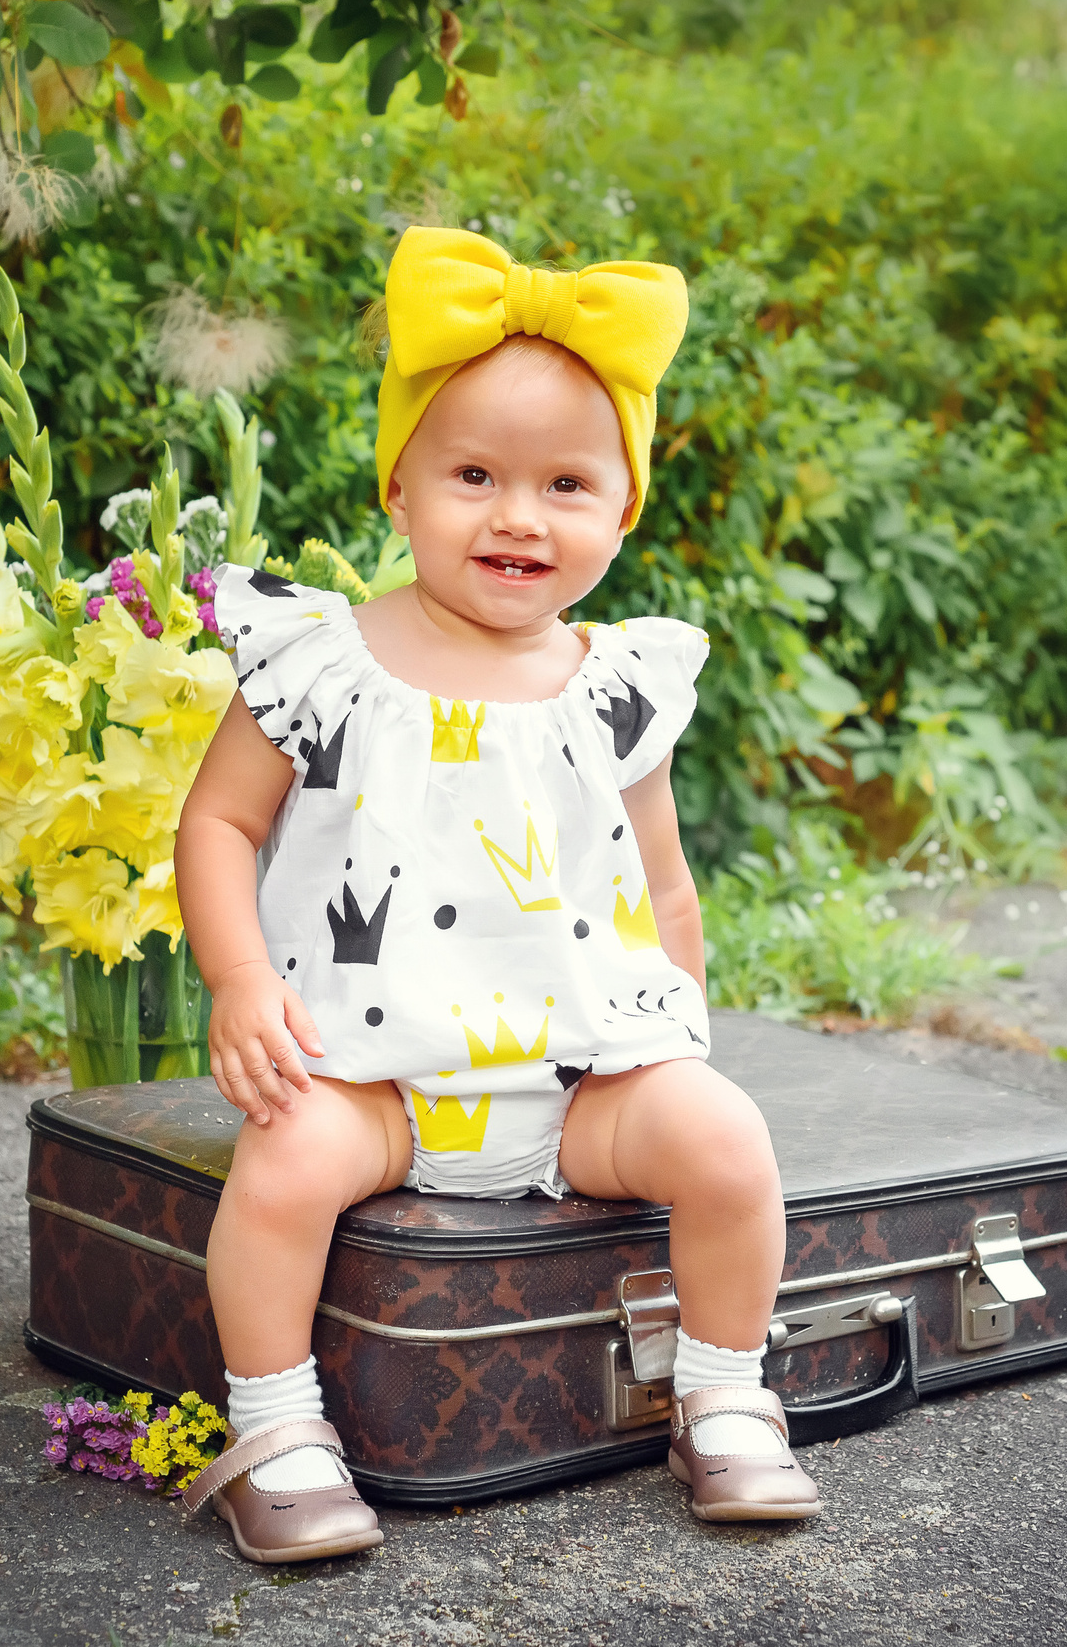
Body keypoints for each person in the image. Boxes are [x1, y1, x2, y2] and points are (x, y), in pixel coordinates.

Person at [172, 226, 818, 1563]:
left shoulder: (615, 684)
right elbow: (220, 821)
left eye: (567, 484)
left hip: (580, 1089)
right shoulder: (324, 662)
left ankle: (721, 1392)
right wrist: (238, 977)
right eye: (474, 475)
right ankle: (277, 1427)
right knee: (282, 1168)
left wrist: (675, 1036)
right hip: (377, 1084)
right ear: (399, 486)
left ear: (622, 512)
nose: (519, 516)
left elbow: (662, 879)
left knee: (729, 1144)